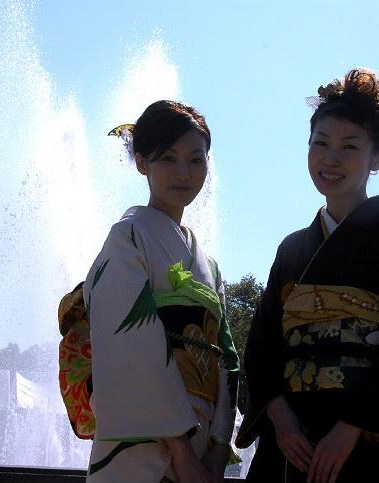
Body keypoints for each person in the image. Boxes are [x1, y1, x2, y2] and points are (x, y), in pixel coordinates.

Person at [236, 69, 379, 483]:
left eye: (349, 146)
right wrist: (281, 420)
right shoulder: (291, 249)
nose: (330, 159)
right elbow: (262, 347)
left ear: (377, 158)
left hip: (371, 443)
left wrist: (352, 425)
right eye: (320, 143)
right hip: (295, 443)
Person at [83, 100, 239, 483]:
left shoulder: (210, 265)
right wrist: (181, 454)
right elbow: (131, 342)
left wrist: (218, 449)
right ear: (142, 162)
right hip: (140, 448)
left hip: (202, 449)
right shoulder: (128, 237)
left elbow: (227, 357)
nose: (184, 173)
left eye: (196, 160)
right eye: (168, 158)